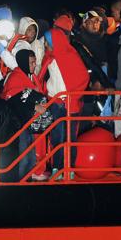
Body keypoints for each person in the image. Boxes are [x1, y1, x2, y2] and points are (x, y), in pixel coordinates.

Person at [40, 28, 90, 177]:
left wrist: (73, 95)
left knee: (70, 137)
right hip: (55, 102)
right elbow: (43, 78)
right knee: (57, 137)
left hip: (70, 103)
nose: (45, 46)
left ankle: (70, 168)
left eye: (47, 43)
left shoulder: (71, 55)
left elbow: (83, 78)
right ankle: (57, 167)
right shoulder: (48, 58)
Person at [2, 49, 52, 180]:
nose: (34, 65)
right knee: (24, 158)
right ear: (24, 62)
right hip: (19, 125)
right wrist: (34, 106)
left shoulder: (27, 76)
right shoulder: (15, 77)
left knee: (29, 157)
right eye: (32, 62)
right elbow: (13, 100)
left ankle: (27, 182)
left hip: (27, 122)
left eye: (35, 62)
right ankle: (21, 185)